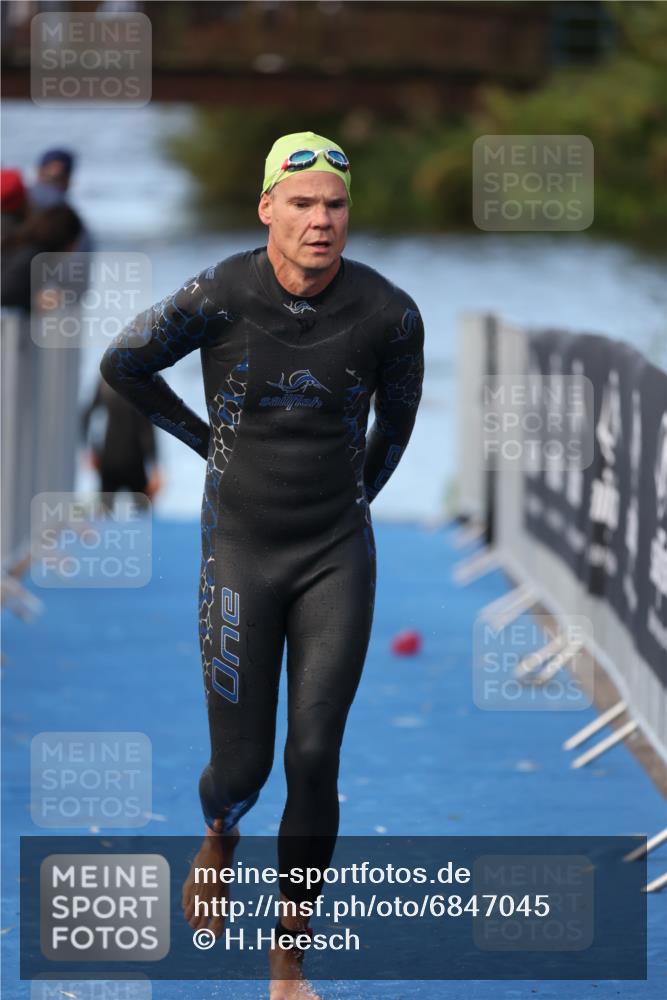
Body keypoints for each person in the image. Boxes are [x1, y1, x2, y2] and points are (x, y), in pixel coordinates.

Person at [99, 130, 425, 999]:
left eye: (336, 205)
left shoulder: (389, 313)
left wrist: (351, 499)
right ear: (267, 209)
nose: (321, 222)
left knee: (314, 756)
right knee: (240, 773)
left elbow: (394, 431)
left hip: (333, 555)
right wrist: (207, 445)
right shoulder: (219, 294)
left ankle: (288, 960)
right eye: (304, 203)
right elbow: (123, 364)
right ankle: (218, 832)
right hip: (239, 552)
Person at [81, 376, 162, 510]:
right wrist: (155, 466)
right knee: (141, 517)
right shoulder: (144, 377)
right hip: (132, 459)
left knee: (106, 512)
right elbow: (148, 428)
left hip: (111, 458)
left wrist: (91, 450)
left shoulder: (107, 378)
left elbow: (87, 416)